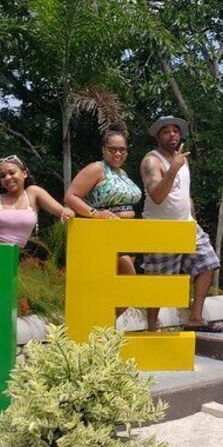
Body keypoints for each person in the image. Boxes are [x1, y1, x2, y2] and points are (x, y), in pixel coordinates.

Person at [140, 116, 222, 332]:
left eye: (175, 130)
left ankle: (195, 318)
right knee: (158, 280)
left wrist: (192, 217)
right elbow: (157, 195)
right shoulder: (152, 161)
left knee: (209, 263)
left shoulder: (181, 159)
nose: (172, 134)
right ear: (158, 136)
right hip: (160, 228)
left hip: (186, 225)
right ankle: (151, 327)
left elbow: (184, 193)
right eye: (166, 131)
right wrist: (173, 169)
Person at [65, 127, 152, 329]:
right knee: (129, 286)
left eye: (122, 149)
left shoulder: (122, 173)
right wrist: (95, 213)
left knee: (118, 291)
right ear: (104, 149)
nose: (118, 153)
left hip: (127, 237)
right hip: (106, 236)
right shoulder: (97, 169)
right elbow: (71, 195)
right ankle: (100, 327)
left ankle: (102, 329)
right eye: (113, 149)